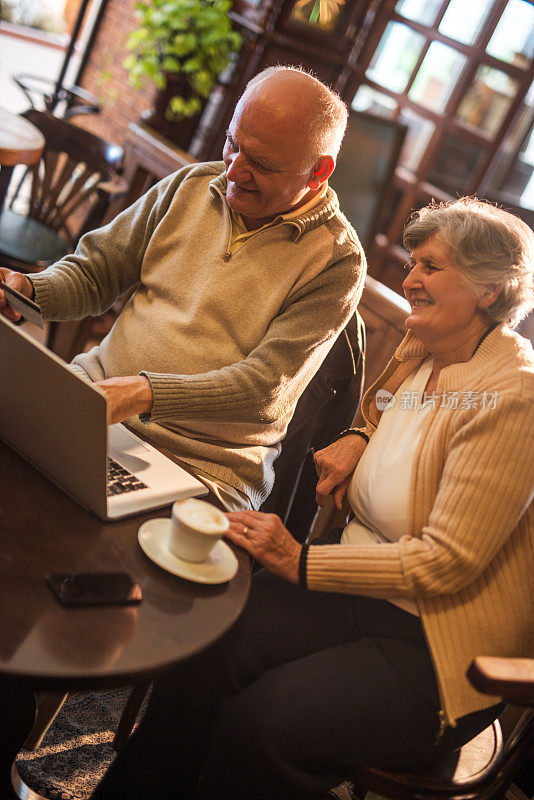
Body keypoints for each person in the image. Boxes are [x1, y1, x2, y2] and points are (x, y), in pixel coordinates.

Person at [90, 198, 533, 800]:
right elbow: (384, 412)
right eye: (412, 265)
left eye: (431, 268)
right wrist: (357, 436)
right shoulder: (426, 349)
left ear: (489, 290)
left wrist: (298, 560)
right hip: (352, 594)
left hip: (437, 649)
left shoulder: (513, 397)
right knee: (201, 650)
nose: (409, 281)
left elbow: (445, 561)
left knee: (263, 726)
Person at [0, 66, 365, 511]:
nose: (235, 170)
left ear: (318, 171)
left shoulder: (337, 262)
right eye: (233, 144)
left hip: (206, 467)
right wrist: (32, 290)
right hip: (91, 399)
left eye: (262, 164)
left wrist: (144, 392)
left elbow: (265, 389)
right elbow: (96, 273)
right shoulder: (190, 187)